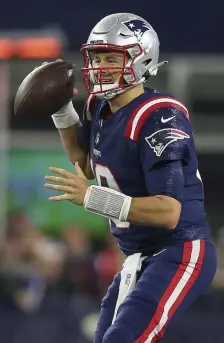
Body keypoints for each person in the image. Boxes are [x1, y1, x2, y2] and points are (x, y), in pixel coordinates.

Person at [44, 13, 217, 343]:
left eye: (112, 57)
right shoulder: (99, 106)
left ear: (142, 59)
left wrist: (92, 198)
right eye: (96, 57)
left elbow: (168, 212)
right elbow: (87, 165)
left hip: (179, 250)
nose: (101, 66)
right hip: (139, 258)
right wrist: (60, 110)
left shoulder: (159, 114)